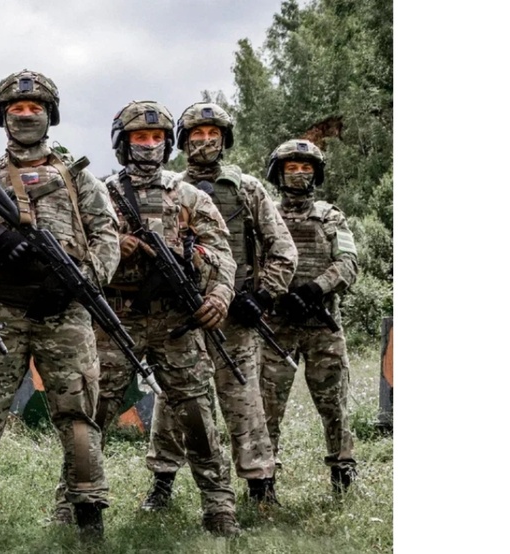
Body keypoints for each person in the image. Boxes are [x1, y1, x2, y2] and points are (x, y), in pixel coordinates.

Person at [0, 69, 119, 547]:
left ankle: (89, 519)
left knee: (78, 416)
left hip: (65, 313)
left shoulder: (79, 179)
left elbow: (106, 237)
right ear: (2, 117)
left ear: (50, 115)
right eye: (16, 109)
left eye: (35, 108)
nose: (26, 116)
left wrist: (81, 284)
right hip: (1, 310)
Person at [141, 102, 298, 506]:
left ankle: (260, 486)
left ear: (225, 140)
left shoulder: (247, 189)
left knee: (244, 401)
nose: (206, 141)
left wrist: (261, 295)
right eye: (197, 134)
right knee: (173, 401)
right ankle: (162, 484)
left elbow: (283, 250)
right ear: (183, 140)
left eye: (214, 134)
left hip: (236, 316)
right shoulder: (168, 189)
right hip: (183, 316)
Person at [96, 101, 240, 536]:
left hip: (176, 321)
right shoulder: (99, 194)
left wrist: (218, 294)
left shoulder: (188, 195)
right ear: (124, 144)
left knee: (196, 414)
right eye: (140, 137)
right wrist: (115, 244)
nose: (150, 145)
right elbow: (76, 247)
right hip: (117, 319)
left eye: (157, 138)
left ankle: (219, 506)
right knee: (93, 413)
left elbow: (224, 255)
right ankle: (77, 502)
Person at [259, 138, 359, 494]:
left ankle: (343, 471)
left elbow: (348, 264)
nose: (299, 174)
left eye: (306, 168)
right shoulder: (266, 215)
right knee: (268, 407)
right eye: (292, 168)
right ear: (278, 173)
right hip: (276, 327)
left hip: (322, 326)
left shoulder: (330, 216)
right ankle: (263, 480)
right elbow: (253, 263)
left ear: (316, 174)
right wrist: (276, 293)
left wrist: (315, 289)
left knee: (334, 405)